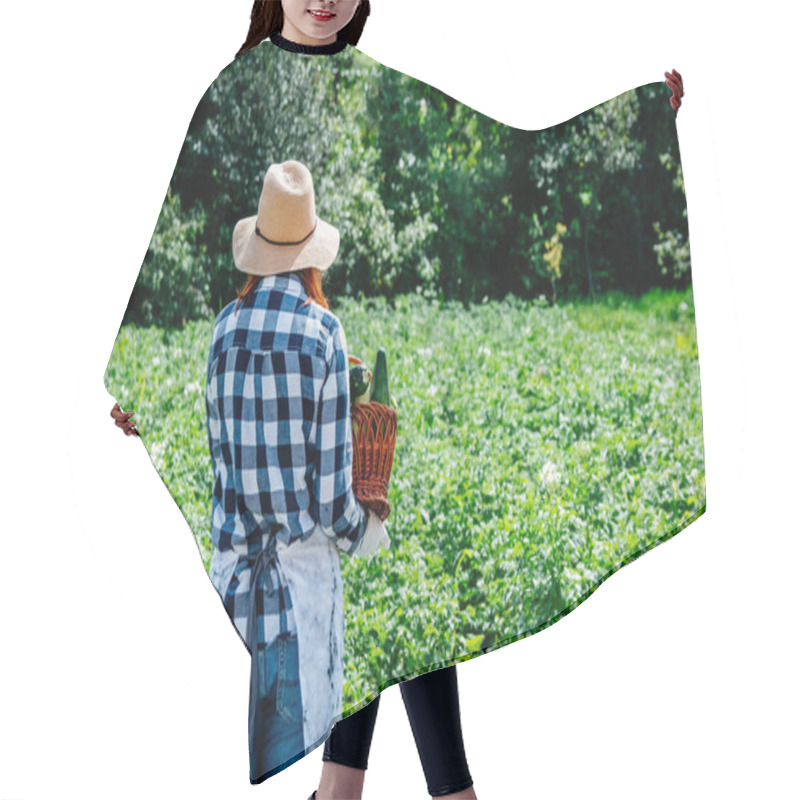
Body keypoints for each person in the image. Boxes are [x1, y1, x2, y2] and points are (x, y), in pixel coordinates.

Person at [111, 3, 478, 797]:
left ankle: (352, 790)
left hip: (242, 582)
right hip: (308, 586)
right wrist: (367, 526)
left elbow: (216, 458)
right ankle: (440, 792)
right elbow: (331, 500)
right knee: (390, 607)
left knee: (381, 637)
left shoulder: (219, 331)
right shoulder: (320, 336)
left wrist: (130, 395)